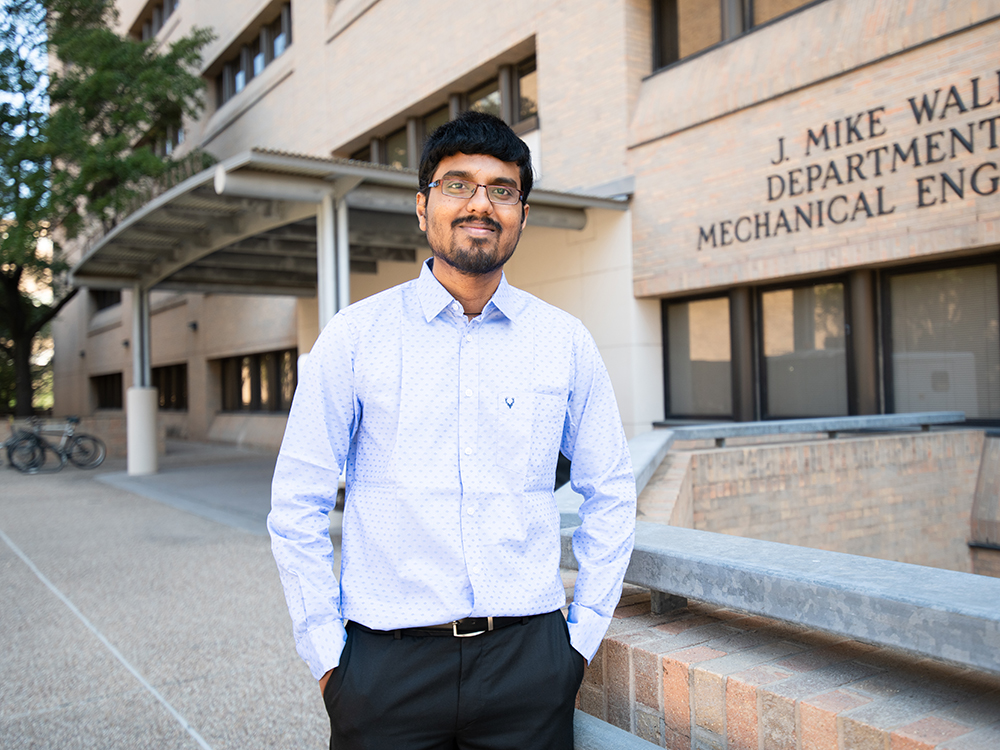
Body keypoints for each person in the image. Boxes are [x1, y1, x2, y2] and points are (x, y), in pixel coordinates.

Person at [268, 111, 636, 750]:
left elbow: (612, 491)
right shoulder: (355, 338)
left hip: (529, 664)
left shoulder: (564, 342)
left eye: (502, 190)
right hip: (386, 669)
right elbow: (295, 504)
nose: (480, 204)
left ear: (521, 213)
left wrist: (576, 646)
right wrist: (330, 660)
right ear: (422, 206)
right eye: (458, 184)